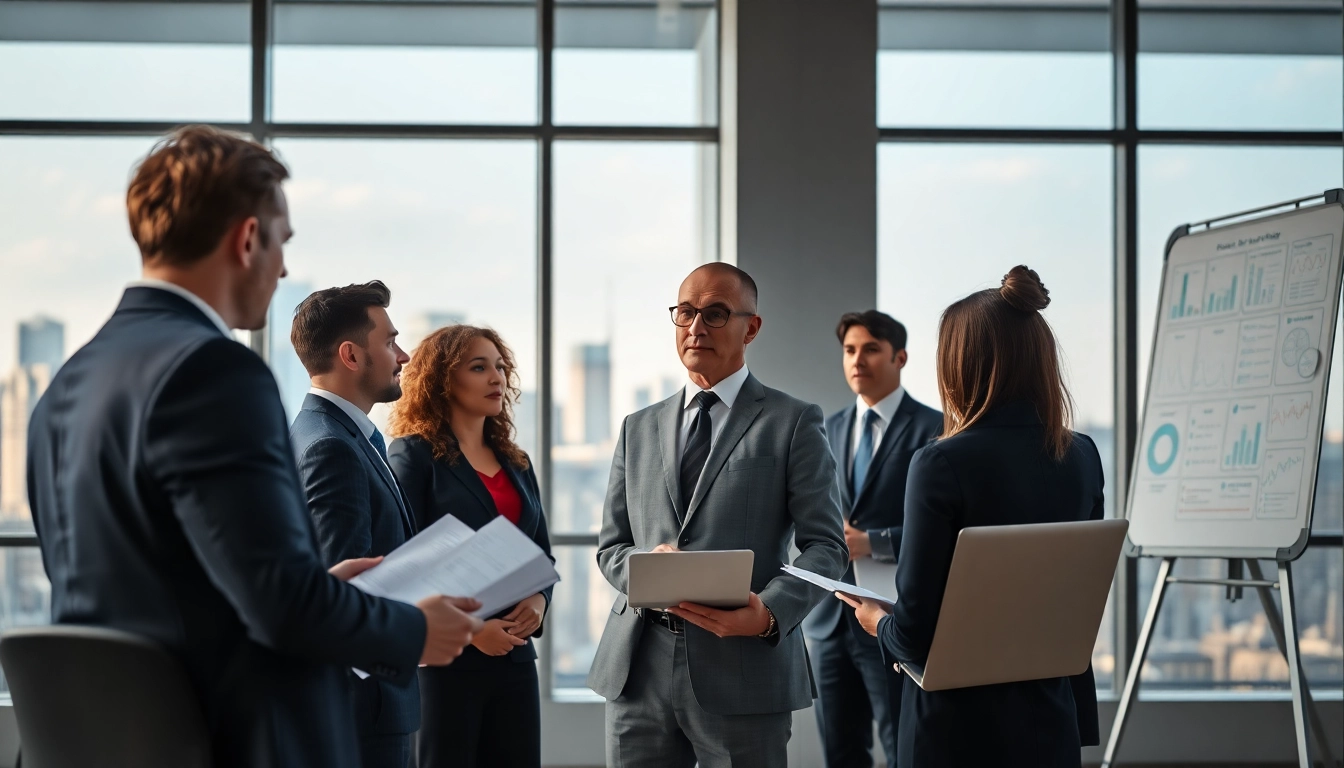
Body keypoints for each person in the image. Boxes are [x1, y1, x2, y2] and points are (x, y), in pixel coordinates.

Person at [25, 125, 482, 768]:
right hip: (219, 740)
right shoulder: (214, 372)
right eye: (282, 241)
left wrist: (323, 585)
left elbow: (168, 590)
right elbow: (283, 610)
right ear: (247, 239)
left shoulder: (68, 383)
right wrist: (414, 629)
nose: (285, 267)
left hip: (99, 741)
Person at [839, 266, 1103, 768]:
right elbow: (1076, 601)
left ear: (960, 365)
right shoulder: (1083, 455)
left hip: (956, 728)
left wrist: (876, 622)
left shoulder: (941, 462)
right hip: (1050, 716)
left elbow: (913, 632)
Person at [586, 263, 849, 768]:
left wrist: (769, 613)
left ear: (751, 327)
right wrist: (649, 564)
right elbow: (611, 546)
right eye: (685, 312)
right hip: (637, 666)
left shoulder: (792, 421)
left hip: (745, 667)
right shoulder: (637, 426)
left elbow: (827, 546)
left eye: (716, 313)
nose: (695, 327)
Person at [387, 325, 554, 768]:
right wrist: (475, 632)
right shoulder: (412, 456)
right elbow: (400, 564)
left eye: (500, 367)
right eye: (479, 367)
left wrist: (539, 601)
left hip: (515, 657)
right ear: (442, 379)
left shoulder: (516, 463)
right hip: (448, 661)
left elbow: (541, 554)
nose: (496, 378)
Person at [289, 281, 420, 768]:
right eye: (389, 341)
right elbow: (348, 587)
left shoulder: (339, 435)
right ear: (350, 355)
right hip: (365, 706)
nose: (402, 355)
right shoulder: (331, 446)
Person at [803, 310, 942, 768]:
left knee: (903, 744)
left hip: (893, 614)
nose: (857, 360)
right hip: (829, 616)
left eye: (870, 349)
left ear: (900, 357)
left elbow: (947, 528)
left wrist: (874, 541)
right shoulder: (828, 426)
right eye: (849, 351)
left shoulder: (935, 429)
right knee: (840, 751)